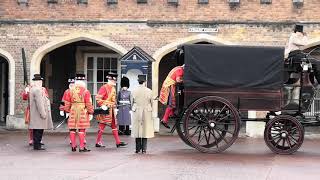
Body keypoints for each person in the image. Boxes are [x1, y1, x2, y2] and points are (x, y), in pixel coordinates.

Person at [95, 72, 127, 148]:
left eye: (115, 80)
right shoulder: (104, 87)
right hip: (105, 110)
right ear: (110, 80)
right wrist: (103, 105)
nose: (115, 82)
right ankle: (98, 142)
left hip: (112, 110)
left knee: (114, 125)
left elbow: (114, 100)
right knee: (102, 125)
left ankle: (118, 142)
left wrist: (115, 107)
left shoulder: (113, 88)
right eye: (113, 80)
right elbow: (98, 98)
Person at [64, 74, 94, 152]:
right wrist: (91, 112)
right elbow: (88, 103)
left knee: (72, 129)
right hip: (82, 111)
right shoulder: (86, 91)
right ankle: (81, 147)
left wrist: (67, 111)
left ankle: (73, 146)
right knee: (82, 129)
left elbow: (67, 102)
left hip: (73, 110)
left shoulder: (70, 91)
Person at [29, 74, 53, 150]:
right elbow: (39, 103)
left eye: (41, 81)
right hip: (38, 114)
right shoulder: (37, 90)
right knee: (39, 130)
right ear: (36, 82)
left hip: (35, 113)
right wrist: (43, 113)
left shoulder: (33, 89)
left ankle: (37, 144)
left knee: (37, 129)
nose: (40, 82)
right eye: (39, 81)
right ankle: (37, 145)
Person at [131, 75, 154, 154]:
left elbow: (132, 102)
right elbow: (152, 103)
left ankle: (137, 149)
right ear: (145, 82)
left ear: (138, 81)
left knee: (137, 130)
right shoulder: (149, 91)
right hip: (146, 110)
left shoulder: (133, 91)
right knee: (145, 130)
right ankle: (144, 149)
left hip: (136, 110)